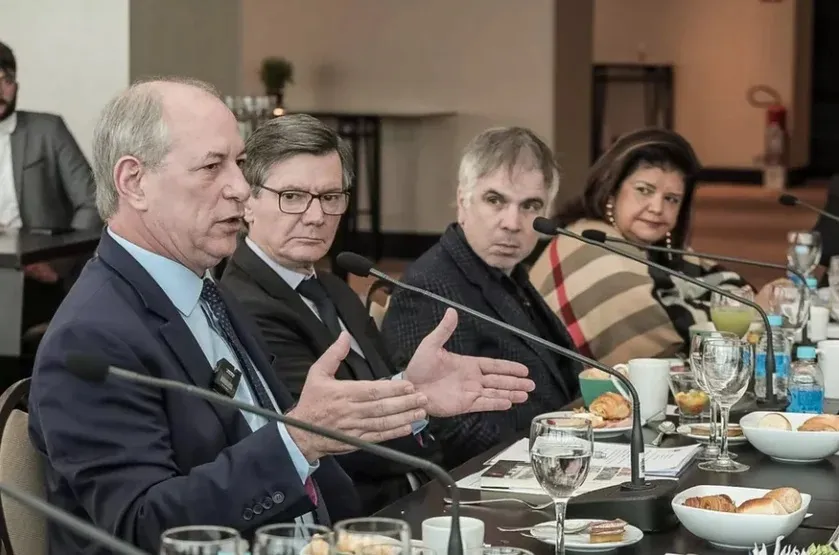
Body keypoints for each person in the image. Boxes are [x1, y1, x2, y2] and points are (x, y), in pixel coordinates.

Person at [28, 77, 438, 554]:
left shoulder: (204, 288)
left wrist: (412, 395)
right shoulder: (91, 338)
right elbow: (144, 527)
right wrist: (298, 440)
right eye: (211, 166)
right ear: (133, 182)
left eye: (239, 164)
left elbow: (281, 445)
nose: (241, 189)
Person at [220, 114, 536, 512]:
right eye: (293, 197)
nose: (316, 216)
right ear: (249, 202)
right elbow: (332, 438)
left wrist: (412, 390)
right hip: (351, 517)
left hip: (415, 493)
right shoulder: (244, 303)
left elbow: (382, 396)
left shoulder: (335, 288)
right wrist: (415, 400)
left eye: (330, 197)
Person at [381, 126, 581, 469]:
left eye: (530, 206)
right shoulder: (430, 288)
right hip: (493, 487)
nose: (512, 222)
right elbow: (448, 427)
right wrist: (556, 450)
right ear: (463, 201)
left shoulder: (508, 273)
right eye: (495, 200)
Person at [529, 128, 782, 366]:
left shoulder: (653, 250)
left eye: (671, 199)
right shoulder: (589, 243)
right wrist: (749, 313)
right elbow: (668, 329)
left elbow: (731, 285)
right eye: (644, 190)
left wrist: (743, 307)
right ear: (611, 190)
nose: (657, 208)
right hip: (564, 404)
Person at [0, 41, 100, 334]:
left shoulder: (48, 130)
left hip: (39, 277)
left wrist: (57, 265)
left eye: (6, 81)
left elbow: (92, 201)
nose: (1, 92)